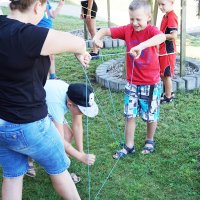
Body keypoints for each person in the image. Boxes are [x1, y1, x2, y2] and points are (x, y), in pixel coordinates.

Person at [0, 0, 91, 199]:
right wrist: (80, 51)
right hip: (30, 124)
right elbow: (78, 42)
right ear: (37, 6)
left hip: (2, 123)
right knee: (59, 169)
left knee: (13, 176)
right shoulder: (29, 35)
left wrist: (78, 51)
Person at [93, 0, 166, 158]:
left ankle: (149, 140)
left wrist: (141, 46)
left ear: (147, 17)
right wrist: (97, 37)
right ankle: (129, 146)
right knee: (129, 114)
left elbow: (161, 37)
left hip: (150, 82)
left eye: (138, 19)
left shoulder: (152, 31)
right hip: (132, 82)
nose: (134, 23)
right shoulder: (127, 30)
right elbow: (105, 30)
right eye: (131, 19)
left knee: (150, 114)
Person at [27, 80, 98, 181]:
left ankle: (61, 166)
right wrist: (81, 157)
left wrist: (81, 152)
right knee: (50, 141)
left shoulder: (75, 95)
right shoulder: (56, 105)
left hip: (47, 102)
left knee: (68, 135)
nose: (83, 114)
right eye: (82, 111)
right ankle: (57, 170)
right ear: (69, 104)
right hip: (32, 108)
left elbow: (77, 125)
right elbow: (58, 140)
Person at [38, 0, 65, 79]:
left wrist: (60, 4)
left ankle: (53, 76)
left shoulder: (47, 2)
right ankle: (44, 78)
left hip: (49, 30)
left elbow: (53, 15)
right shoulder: (35, 2)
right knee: (43, 56)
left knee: (51, 55)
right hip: (40, 31)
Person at [158, 0, 178, 103]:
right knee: (163, 74)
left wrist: (160, 36)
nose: (160, 7)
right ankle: (168, 92)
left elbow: (173, 36)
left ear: (171, 2)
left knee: (166, 74)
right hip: (163, 51)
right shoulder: (166, 15)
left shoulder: (171, 16)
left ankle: (168, 96)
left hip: (168, 51)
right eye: (159, 4)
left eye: (163, 4)